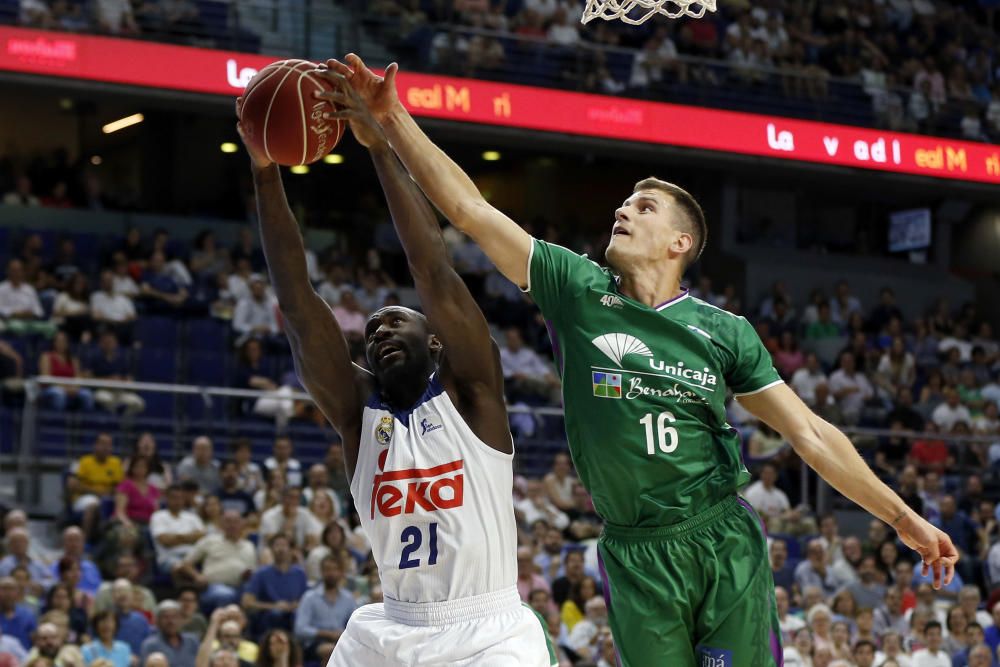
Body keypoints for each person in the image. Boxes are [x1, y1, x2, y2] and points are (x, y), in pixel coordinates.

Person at [332, 52, 958, 666]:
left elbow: (810, 433)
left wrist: (902, 515)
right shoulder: (576, 288)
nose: (622, 211)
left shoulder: (724, 331)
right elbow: (470, 211)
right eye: (624, 204)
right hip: (635, 550)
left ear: (680, 243)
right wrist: (393, 119)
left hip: (717, 536)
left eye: (643, 208)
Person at [237, 74, 556, 667]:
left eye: (395, 321)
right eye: (371, 329)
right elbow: (298, 301)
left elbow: (431, 268)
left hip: (488, 629)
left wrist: (380, 145)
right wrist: (264, 171)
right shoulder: (359, 417)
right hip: (390, 629)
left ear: (436, 342)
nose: (378, 330)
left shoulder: (474, 396)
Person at [139, 601, 199, 667]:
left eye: (175, 617)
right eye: (166, 617)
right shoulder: (150, 645)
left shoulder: (192, 641)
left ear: (181, 620)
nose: (171, 621)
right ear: (158, 621)